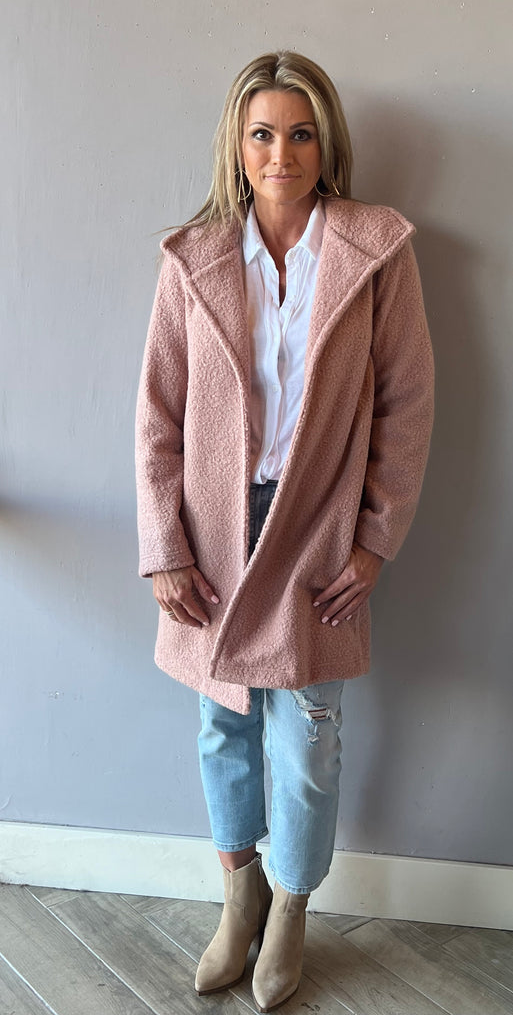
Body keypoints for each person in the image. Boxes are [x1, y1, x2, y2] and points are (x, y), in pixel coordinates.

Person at [135, 50, 434, 1012]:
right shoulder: (192, 259)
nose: (280, 154)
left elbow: (406, 406)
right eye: (261, 134)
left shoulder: (375, 250)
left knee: (307, 741)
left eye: (299, 134)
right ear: (236, 144)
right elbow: (158, 415)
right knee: (221, 725)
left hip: (315, 531)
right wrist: (163, 546)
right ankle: (241, 898)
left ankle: (292, 909)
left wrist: (373, 541)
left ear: (325, 142)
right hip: (213, 533)